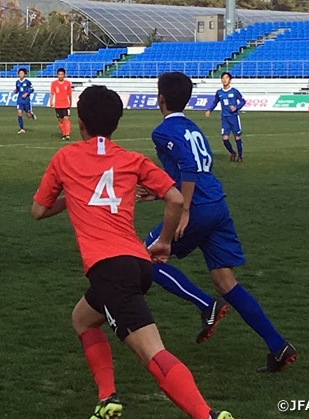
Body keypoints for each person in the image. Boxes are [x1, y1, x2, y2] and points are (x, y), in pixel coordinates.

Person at [31, 85, 233, 419]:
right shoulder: (132, 160)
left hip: (110, 269)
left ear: (80, 123)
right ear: (116, 124)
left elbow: (39, 210)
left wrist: (75, 195)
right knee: (82, 319)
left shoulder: (65, 158)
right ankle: (107, 397)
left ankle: (206, 414)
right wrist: (165, 241)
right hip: (137, 263)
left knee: (150, 352)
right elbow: (175, 199)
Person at [140, 72, 296, 373]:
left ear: (160, 98)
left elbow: (188, 167)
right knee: (226, 281)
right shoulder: (192, 127)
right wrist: (160, 192)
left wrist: (183, 208)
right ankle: (278, 346)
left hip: (196, 207)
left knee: (145, 258)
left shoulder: (162, 132)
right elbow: (200, 164)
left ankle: (205, 305)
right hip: (216, 205)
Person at [205, 72, 245, 162]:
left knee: (237, 137)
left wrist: (236, 108)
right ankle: (232, 152)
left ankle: (240, 156)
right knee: (225, 138)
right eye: (223, 78)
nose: (224, 80)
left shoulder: (234, 91)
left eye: (226, 78)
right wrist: (209, 110)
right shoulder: (219, 92)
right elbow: (215, 102)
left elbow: (242, 101)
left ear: (230, 80)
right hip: (224, 118)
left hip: (234, 117)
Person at [49, 67, 73, 140]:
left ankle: (67, 134)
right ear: (57, 75)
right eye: (59, 74)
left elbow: (69, 94)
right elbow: (52, 93)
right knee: (60, 120)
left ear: (64, 75)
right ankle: (63, 133)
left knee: (66, 119)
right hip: (58, 105)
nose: (61, 76)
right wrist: (51, 101)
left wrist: (70, 102)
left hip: (65, 104)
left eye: (62, 74)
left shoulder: (67, 83)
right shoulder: (54, 83)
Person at [13, 68, 36, 134]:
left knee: (28, 116)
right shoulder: (17, 82)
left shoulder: (27, 82)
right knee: (19, 113)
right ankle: (21, 129)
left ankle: (31, 114)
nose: (20, 74)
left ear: (25, 74)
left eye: (22, 73)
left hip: (26, 100)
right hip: (19, 100)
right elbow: (17, 90)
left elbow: (32, 89)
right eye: (19, 73)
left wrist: (27, 93)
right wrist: (15, 91)